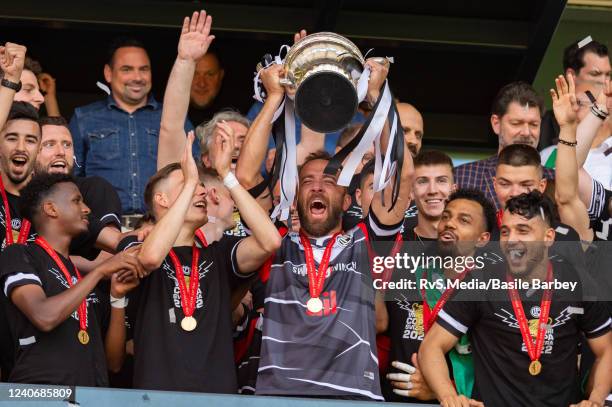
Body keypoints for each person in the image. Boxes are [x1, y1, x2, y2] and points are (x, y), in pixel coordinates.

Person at [115, 77, 281, 393]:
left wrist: (226, 176)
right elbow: (150, 258)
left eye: (201, 186)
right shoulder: (135, 242)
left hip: (216, 395)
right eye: (189, 186)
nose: (201, 191)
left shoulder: (218, 253)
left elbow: (270, 241)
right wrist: (191, 181)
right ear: (161, 200)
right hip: (156, 395)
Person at [419, 191, 612, 406]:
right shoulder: (481, 281)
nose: (511, 240)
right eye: (505, 231)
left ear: (548, 237)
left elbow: (607, 349)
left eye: (523, 230)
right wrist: (449, 396)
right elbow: (431, 346)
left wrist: (595, 400)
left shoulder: (578, 281)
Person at [0, 173, 141, 385]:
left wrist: (117, 298)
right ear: (51, 209)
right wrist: (100, 271)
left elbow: (114, 362)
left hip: (91, 394)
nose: (87, 209)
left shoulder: (80, 277)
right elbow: (43, 316)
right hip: (40, 395)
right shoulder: (19, 255)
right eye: (77, 201)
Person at [380, 189, 495, 403]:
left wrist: (440, 390)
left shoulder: (491, 291)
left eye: (464, 220)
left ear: (482, 239)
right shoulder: (404, 270)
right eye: (446, 216)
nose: (449, 223)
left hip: (459, 401)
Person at [69, 37, 193, 216]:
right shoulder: (84, 118)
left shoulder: (170, 118)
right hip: (101, 228)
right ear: (108, 73)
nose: (137, 77)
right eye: (127, 69)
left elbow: (193, 170)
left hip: (160, 224)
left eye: (144, 69)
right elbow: (70, 178)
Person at [454, 81, 553, 210]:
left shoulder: (553, 179)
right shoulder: (463, 177)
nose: (526, 133)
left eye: (534, 124)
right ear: (496, 124)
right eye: (516, 123)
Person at [539, 39, 610, 150]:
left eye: (608, 74)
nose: (604, 81)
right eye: (595, 74)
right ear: (571, 75)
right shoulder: (543, 126)